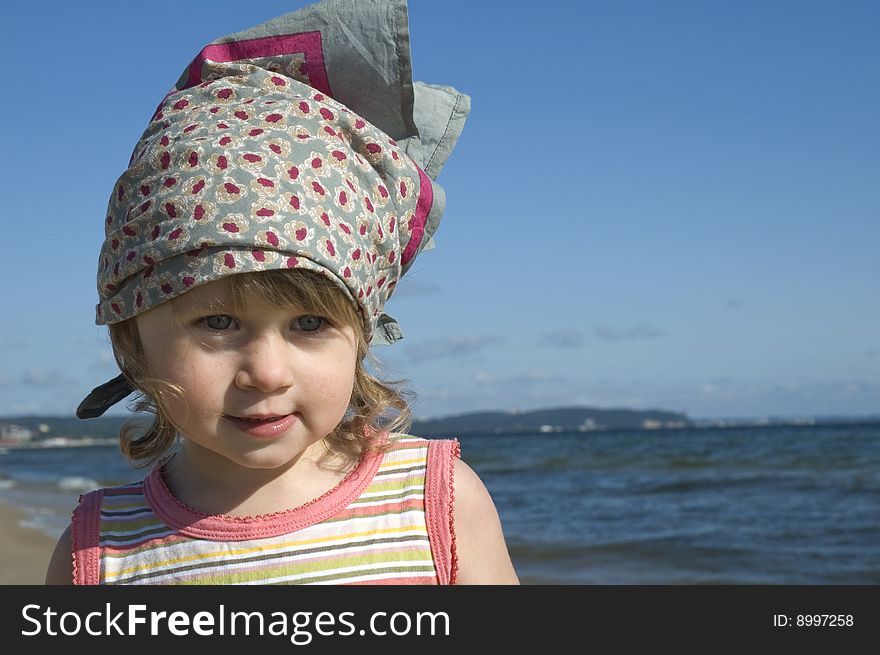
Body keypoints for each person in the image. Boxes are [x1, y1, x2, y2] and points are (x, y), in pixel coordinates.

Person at [45, 0, 518, 585]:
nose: (267, 374)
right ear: (132, 334)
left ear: (362, 331)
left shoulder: (435, 504)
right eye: (217, 324)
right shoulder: (101, 549)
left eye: (310, 324)